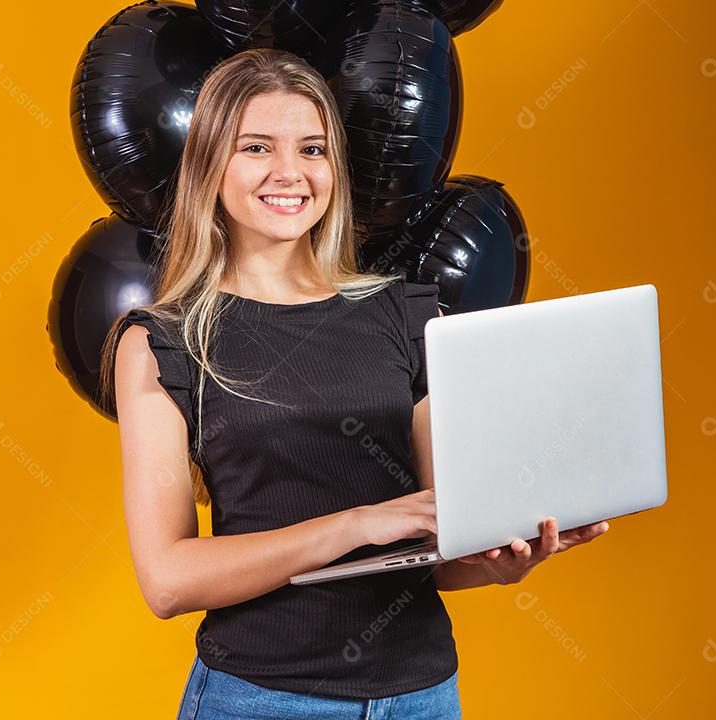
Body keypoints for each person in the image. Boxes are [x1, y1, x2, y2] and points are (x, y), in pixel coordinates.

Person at [99, 48, 610, 720]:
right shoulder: (165, 341)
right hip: (262, 701)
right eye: (257, 147)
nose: (291, 173)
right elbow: (167, 580)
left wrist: (500, 560)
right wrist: (359, 524)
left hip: (424, 697)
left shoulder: (403, 314)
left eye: (313, 149)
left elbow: (435, 545)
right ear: (211, 166)